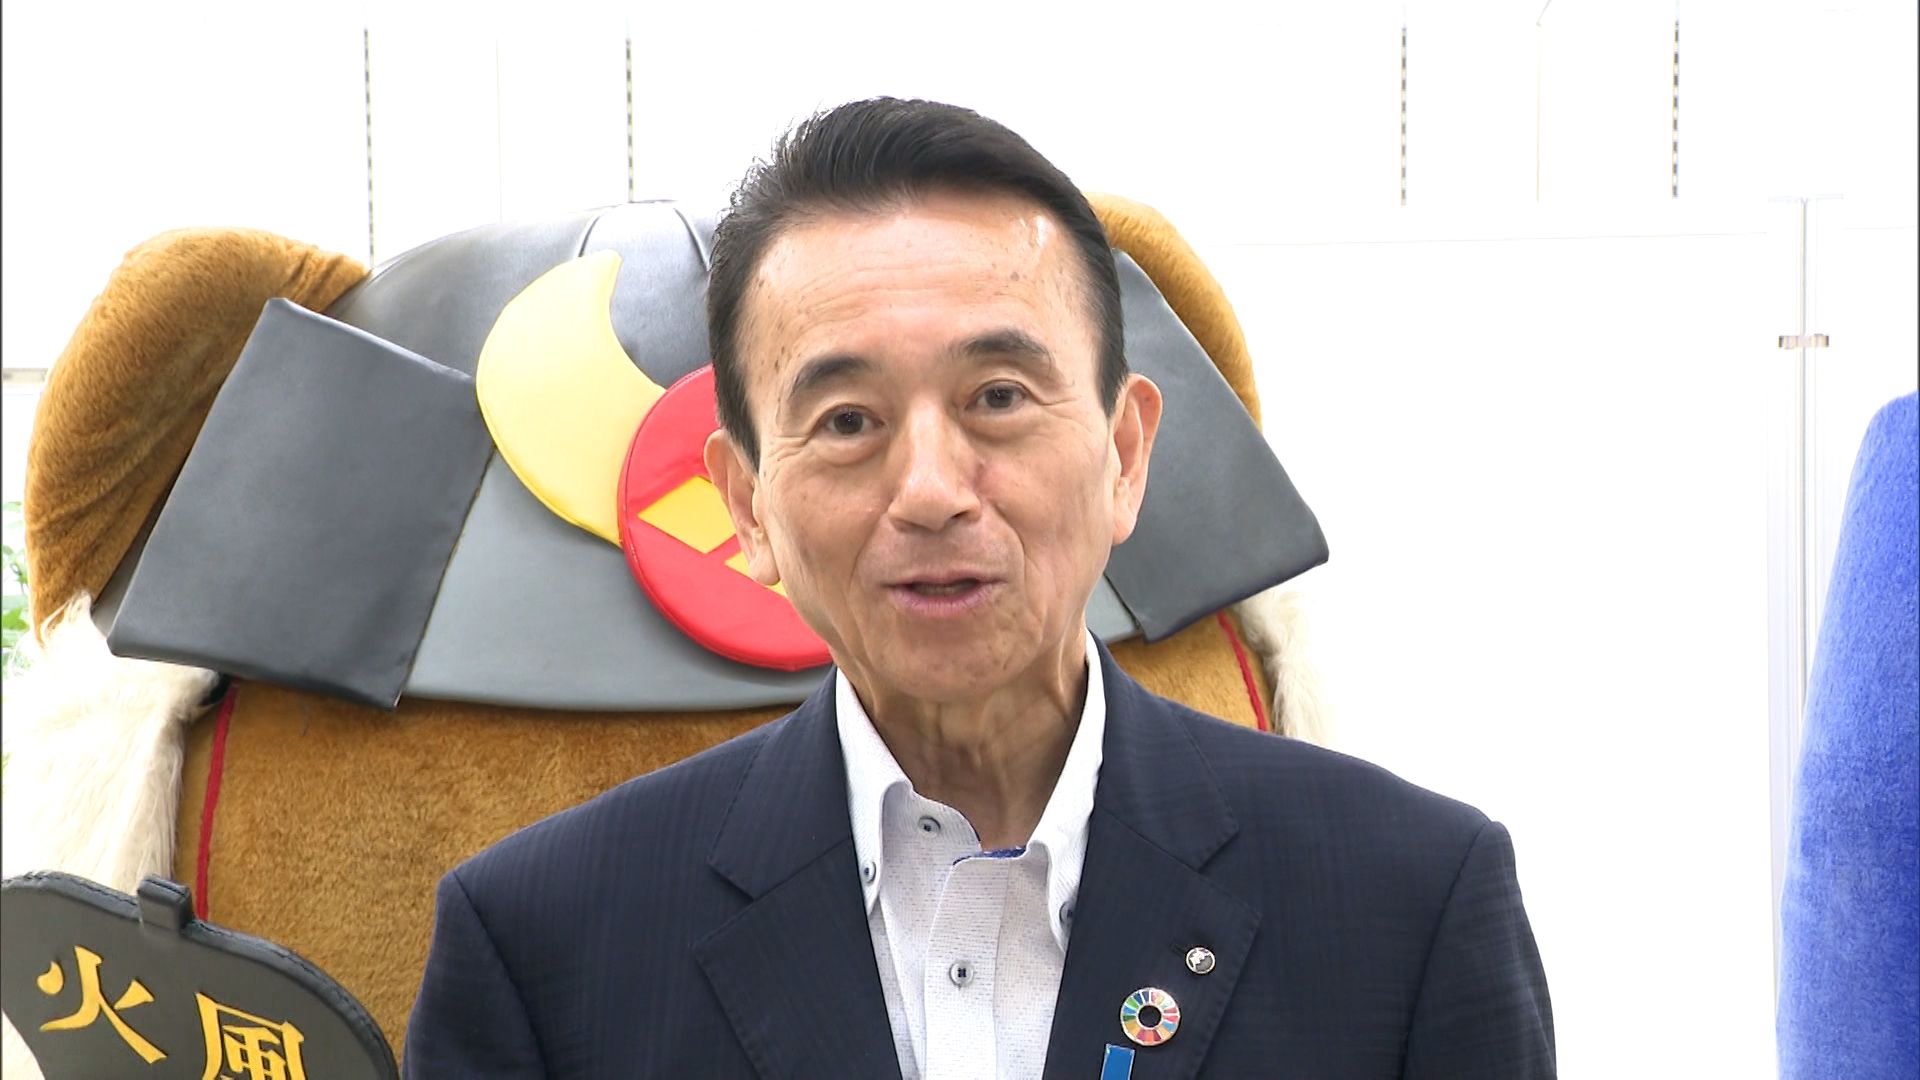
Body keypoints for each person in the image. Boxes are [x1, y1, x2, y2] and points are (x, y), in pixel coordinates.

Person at [403, 97, 1555, 1079]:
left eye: (998, 398)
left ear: (1124, 456)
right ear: (746, 505)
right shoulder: (547, 948)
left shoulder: (1405, 904)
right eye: (847, 421)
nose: (930, 491)